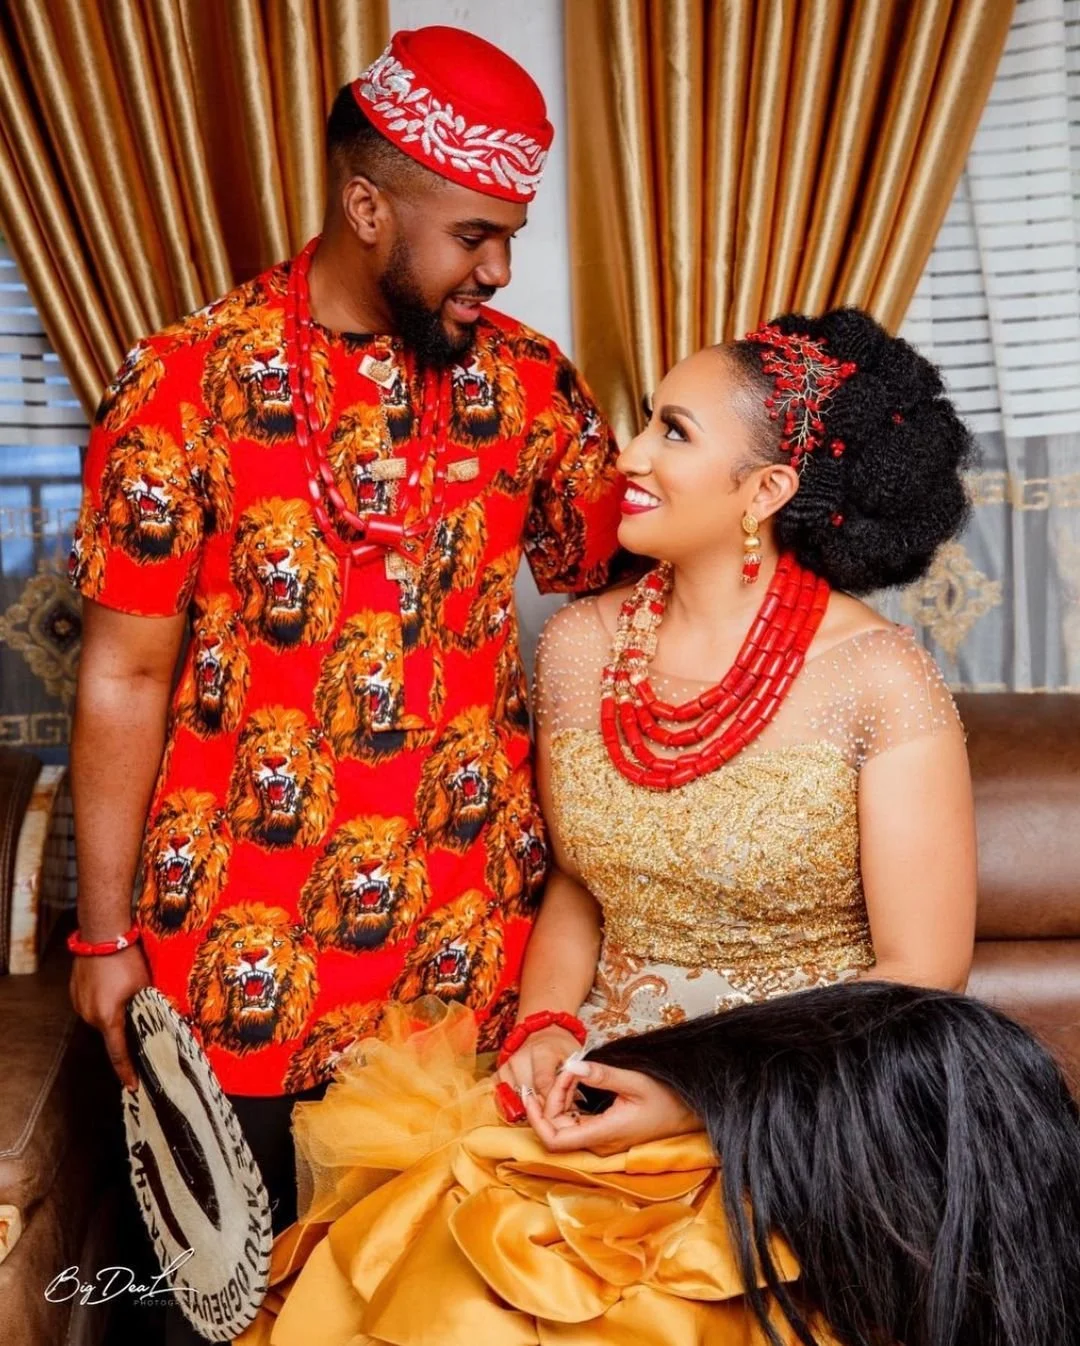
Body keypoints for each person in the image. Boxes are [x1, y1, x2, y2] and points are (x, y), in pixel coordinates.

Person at [240, 308, 1003, 1344]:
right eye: (645, 419)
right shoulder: (579, 645)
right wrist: (547, 1028)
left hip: (802, 1115)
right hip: (598, 1081)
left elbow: (921, 978)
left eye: (673, 433)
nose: (628, 455)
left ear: (766, 492)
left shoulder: (881, 679)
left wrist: (700, 1094)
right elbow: (581, 885)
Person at [66, 24, 623, 1341]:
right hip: (228, 959)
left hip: (467, 963)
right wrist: (102, 934)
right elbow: (123, 675)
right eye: (474, 235)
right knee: (211, 1309)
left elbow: (622, 594)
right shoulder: (184, 379)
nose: (500, 268)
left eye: (512, 237)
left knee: (436, 1314)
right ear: (368, 207)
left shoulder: (528, 382)